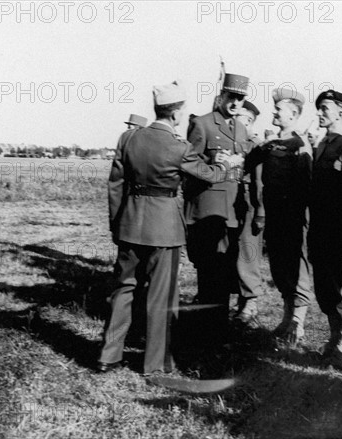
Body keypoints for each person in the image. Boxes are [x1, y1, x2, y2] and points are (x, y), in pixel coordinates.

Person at [98, 80, 243, 375]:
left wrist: (117, 224)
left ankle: (108, 355)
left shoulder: (128, 138)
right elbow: (210, 175)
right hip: (164, 229)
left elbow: (115, 186)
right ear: (177, 113)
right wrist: (230, 163)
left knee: (124, 289)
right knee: (161, 296)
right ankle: (155, 363)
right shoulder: (179, 147)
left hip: (129, 224)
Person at [184, 73, 250, 344]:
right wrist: (218, 167)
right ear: (221, 96)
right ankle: (204, 332)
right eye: (231, 96)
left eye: (240, 98)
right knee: (209, 272)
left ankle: (219, 330)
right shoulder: (202, 124)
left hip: (231, 213)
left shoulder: (242, 128)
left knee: (224, 273)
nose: (235, 102)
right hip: (207, 210)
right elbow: (188, 165)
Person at [246, 87, 313, 346]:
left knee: (296, 269)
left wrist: (298, 218)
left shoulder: (300, 145)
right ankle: (287, 319)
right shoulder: (271, 143)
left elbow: (305, 186)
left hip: (292, 217)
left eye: (279, 110)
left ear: (294, 114)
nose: (274, 112)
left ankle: (298, 323)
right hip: (274, 216)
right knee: (280, 268)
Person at [308, 90, 342, 367]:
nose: (319, 113)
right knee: (325, 286)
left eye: (325, 108)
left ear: (341, 112)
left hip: (340, 228)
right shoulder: (321, 145)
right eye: (319, 108)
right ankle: (333, 338)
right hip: (319, 226)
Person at [232, 100, 265, 325]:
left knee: (248, 251)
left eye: (242, 117)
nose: (236, 120)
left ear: (250, 121)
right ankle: (238, 300)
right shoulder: (229, 138)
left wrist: (261, 211)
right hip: (228, 201)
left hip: (248, 201)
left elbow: (260, 182)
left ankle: (250, 301)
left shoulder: (255, 144)